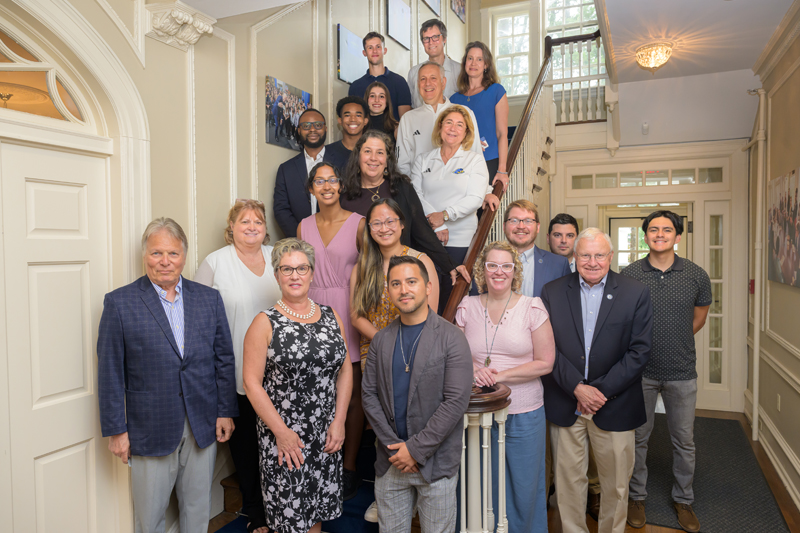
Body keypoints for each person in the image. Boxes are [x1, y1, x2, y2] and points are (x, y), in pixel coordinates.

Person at [98, 218, 238, 533]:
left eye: (172, 253)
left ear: (184, 256)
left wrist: (226, 411)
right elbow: (109, 372)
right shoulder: (119, 303)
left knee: (197, 510)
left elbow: (224, 360)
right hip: (149, 426)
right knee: (150, 518)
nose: (165, 262)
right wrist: (116, 431)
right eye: (156, 253)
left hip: (202, 423)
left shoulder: (208, 299)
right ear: (144, 255)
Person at [540, 228, 653, 533]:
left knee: (615, 485)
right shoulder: (551, 291)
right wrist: (577, 388)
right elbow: (546, 348)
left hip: (615, 404)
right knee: (567, 483)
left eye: (599, 254)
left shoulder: (636, 292)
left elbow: (639, 352)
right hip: (566, 401)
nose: (592, 261)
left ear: (610, 257)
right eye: (585, 255)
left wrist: (597, 391)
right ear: (574, 257)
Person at [242, 238, 353, 533]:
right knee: (291, 521)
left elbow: (344, 371)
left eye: (301, 268)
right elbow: (251, 384)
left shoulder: (331, 316)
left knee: (315, 515)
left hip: (326, 435)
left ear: (312, 272)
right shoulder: (264, 323)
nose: (295, 275)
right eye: (286, 269)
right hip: (285, 439)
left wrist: (340, 421)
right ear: (277, 275)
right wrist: (282, 434)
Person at [362, 255, 472, 533]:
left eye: (411, 282)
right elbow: (369, 397)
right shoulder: (381, 340)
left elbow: (455, 402)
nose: (404, 290)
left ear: (428, 287)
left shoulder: (452, 337)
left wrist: (415, 449)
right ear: (388, 291)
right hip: (391, 462)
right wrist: (395, 449)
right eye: (395, 284)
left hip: (436, 464)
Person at [350, 198, 440, 523]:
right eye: (377, 223)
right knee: (382, 426)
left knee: (414, 419)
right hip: (375, 353)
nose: (384, 227)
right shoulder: (364, 265)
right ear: (369, 230)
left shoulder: (421, 260)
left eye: (390, 221)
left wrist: (403, 346)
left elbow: (433, 314)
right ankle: (385, 491)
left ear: (402, 224)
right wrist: (386, 344)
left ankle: (417, 490)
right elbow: (355, 314)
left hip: (417, 355)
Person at [455, 241, 555, 532]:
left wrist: (499, 376)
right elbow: (455, 356)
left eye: (506, 266)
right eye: (492, 265)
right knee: (479, 481)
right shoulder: (467, 306)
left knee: (523, 485)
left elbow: (545, 363)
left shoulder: (532, 307)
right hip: (476, 412)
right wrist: (476, 370)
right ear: (482, 270)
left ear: (515, 271)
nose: (499, 272)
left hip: (524, 412)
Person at [194, 200, 281, 533]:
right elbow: (198, 323)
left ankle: (282, 508)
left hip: (278, 375)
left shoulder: (279, 258)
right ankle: (257, 515)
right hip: (236, 376)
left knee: (277, 446)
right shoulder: (215, 262)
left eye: (258, 221)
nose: (252, 226)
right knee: (246, 451)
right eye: (244, 221)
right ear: (231, 227)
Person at [622, 211, 711, 533]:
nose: (660, 234)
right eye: (654, 229)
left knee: (684, 440)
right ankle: (636, 496)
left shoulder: (696, 275)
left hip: (682, 371)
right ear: (645, 235)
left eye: (667, 229)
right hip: (640, 372)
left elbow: (698, 318)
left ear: (677, 236)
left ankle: (684, 500)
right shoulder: (629, 274)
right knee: (638, 438)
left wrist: (675, 339)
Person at [297, 162, 366, 501]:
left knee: (351, 392)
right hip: (311, 309)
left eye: (332, 180)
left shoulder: (358, 224)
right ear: (311, 188)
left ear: (340, 186)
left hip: (346, 308)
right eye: (319, 181)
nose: (326, 186)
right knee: (317, 388)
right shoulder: (303, 225)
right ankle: (319, 457)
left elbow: (371, 270)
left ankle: (349, 465)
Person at [340, 129, 469, 286]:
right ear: (358, 157)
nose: (373, 158)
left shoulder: (402, 188)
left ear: (387, 160)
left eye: (380, 152)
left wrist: (450, 264)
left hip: (402, 276)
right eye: (367, 151)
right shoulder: (345, 197)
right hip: (363, 279)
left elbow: (422, 231)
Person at [410, 105, 499, 312]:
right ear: (440, 127)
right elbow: (415, 195)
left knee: (453, 299)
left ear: (466, 132)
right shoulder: (423, 159)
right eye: (449, 122)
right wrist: (435, 224)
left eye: (460, 125)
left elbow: (476, 198)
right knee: (426, 296)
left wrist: (445, 215)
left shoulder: (474, 160)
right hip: (426, 238)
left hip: (460, 239)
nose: (453, 128)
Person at [396, 61, 483, 177]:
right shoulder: (408, 119)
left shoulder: (465, 113)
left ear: (443, 83)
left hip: (458, 188)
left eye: (433, 78)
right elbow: (402, 165)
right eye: (423, 79)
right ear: (418, 84)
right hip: (419, 190)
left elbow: (476, 155)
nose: (427, 83)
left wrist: (486, 191)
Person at [273, 108, 340, 238]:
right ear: (299, 130)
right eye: (306, 126)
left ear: (325, 128)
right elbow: (281, 210)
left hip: (337, 239)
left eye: (318, 125)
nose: (312, 129)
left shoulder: (343, 162)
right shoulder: (286, 169)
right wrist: (301, 237)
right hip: (301, 243)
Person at [451, 41, 509, 187]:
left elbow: (502, 133)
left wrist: (502, 170)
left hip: (489, 160)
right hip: (462, 162)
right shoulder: (454, 99)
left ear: (486, 65)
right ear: (464, 63)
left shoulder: (496, 91)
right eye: (470, 58)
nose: (473, 63)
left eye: (479, 59)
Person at [503, 200, 571, 298]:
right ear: (504, 226)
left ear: (537, 227)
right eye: (514, 220)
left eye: (528, 221)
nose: (521, 226)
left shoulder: (559, 265)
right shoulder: (487, 263)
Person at [349, 32, 412, 119]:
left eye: (378, 47)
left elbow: (405, 121)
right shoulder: (355, 86)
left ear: (384, 50)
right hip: (367, 132)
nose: (374, 51)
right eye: (370, 47)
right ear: (364, 53)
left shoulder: (399, 82)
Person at [407, 19, 462, 109]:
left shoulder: (460, 71)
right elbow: (412, 107)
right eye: (426, 39)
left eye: (435, 37)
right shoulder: (414, 73)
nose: (431, 42)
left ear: (444, 39)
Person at [326, 96, 370, 171]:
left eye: (358, 115)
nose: (353, 119)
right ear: (340, 121)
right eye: (347, 115)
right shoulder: (326, 152)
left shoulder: (374, 152)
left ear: (365, 121)